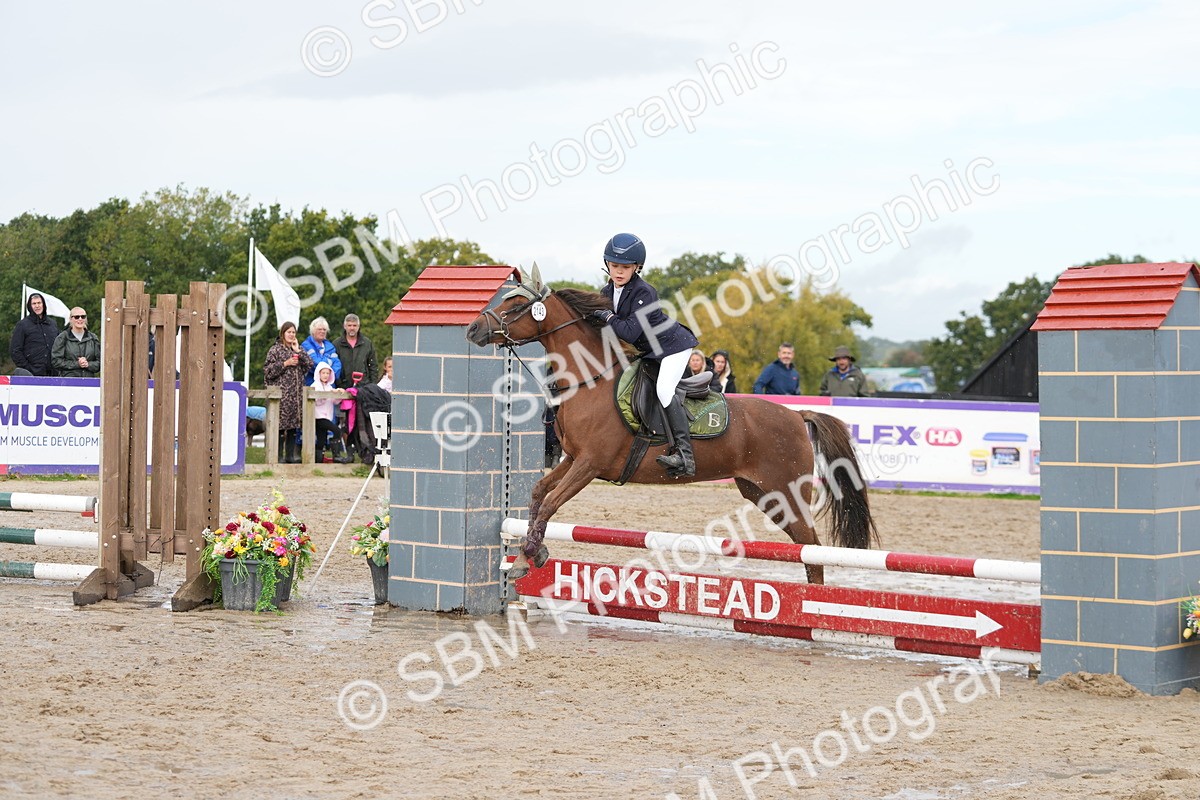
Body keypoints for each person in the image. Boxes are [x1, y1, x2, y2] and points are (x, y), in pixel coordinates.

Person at [592, 232, 699, 477]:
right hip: (650, 351)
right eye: (614, 266)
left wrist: (607, 316)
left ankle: (685, 455)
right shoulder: (607, 292)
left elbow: (629, 331)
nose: (618, 271)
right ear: (607, 265)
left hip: (673, 347)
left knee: (664, 390)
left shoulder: (645, 292)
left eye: (625, 267)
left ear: (636, 268)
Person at [264, 321, 314, 464]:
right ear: (283, 333)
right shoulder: (275, 350)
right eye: (289, 332)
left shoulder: (297, 349)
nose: (292, 335)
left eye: (293, 332)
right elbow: (268, 371)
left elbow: (310, 365)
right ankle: (278, 456)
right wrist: (285, 364)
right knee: (279, 427)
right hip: (281, 395)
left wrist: (299, 351)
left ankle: (290, 456)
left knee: (293, 426)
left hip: (295, 396)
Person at [312, 362, 353, 463]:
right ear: (318, 373)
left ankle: (318, 459)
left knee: (322, 439)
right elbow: (316, 402)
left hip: (327, 416)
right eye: (323, 373)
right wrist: (328, 394)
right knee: (337, 431)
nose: (325, 375)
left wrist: (338, 393)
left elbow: (334, 401)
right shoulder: (315, 385)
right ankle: (336, 455)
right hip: (318, 417)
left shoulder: (330, 387)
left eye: (327, 373)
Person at [10, 293, 59, 376]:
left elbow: (59, 346)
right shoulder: (22, 325)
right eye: (34, 303)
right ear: (30, 306)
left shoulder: (52, 324)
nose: (37, 306)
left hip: (53, 373)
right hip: (32, 373)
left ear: (43, 304)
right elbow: (15, 350)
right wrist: (27, 368)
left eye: (39, 303)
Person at [50, 307, 100, 378]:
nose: (80, 319)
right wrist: (77, 364)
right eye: (77, 317)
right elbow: (56, 361)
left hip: (89, 382)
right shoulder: (62, 337)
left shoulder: (93, 338)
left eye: (83, 317)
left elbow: (100, 363)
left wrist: (88, 364)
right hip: (68, 382)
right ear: (70, 319)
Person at [333, 313, 377, 389]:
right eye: (349, 325)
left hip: (364, 387)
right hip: (342, 388)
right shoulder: (337, 344)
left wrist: (372, 385)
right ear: (345, 326)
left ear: (358, 326)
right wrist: (339, 383)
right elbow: (333, 366)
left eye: (354, 325)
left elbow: (373, 366)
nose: (352, 328)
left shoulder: (367, 343)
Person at [301, 317, 341, 386]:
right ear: (313, 331)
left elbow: (337, 364)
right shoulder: (306, 345)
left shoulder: (330, 346)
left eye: (324, 330)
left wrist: (329, 376)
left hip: (329, 386)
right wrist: (329, 362)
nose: (322, 331)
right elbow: (315, 363)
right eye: (319, 329)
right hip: (311, 386)